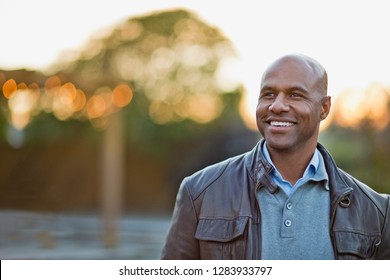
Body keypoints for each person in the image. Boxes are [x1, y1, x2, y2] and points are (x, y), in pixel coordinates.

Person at [161, 54, 390, 260]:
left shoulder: (377, 212)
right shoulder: (199, 192)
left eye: (295, 95)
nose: (277, 106)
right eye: (269, 94)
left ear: (324, 108)